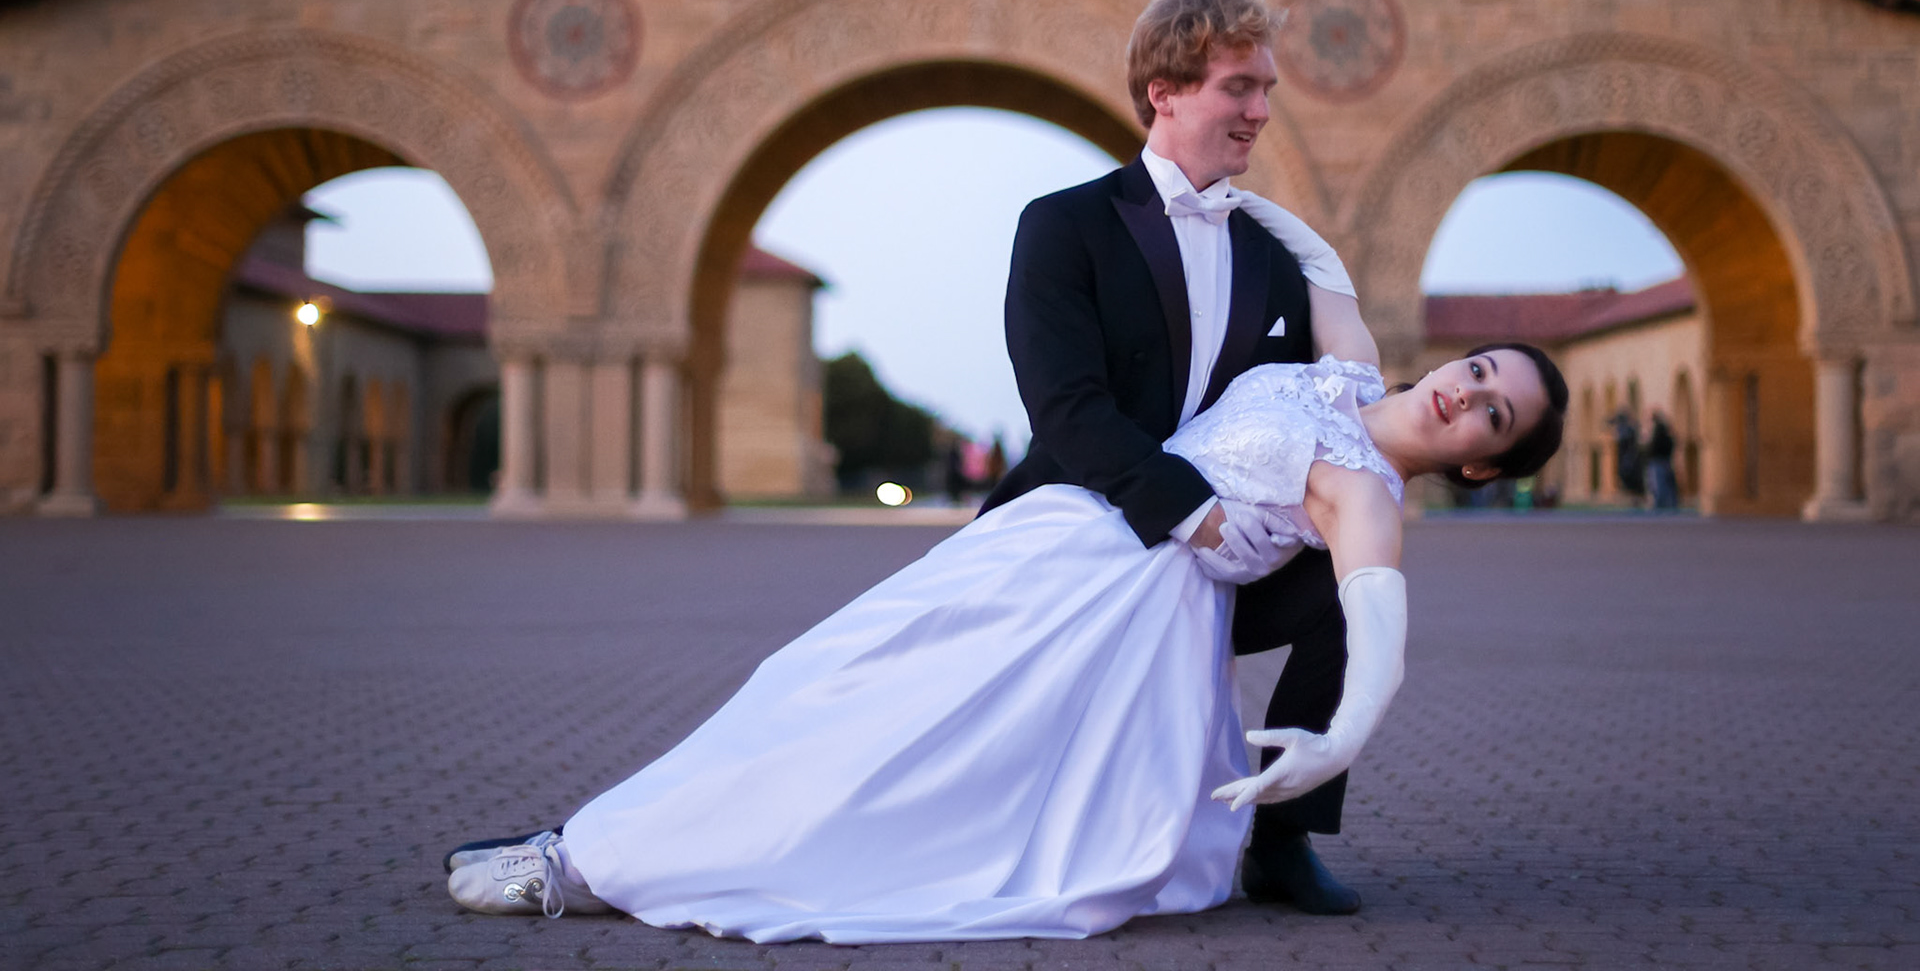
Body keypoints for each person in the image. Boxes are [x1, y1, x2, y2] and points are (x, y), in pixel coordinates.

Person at [444, 344, 1565, 941]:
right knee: (834, 673)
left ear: (1481, 464)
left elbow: (1380, 634)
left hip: (1133, 607)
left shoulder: (1366, 498)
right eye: (1479, 371)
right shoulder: (1347, 370)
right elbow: (1314, 256)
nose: (1467, 397)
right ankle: (599, 837)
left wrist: (1340, 739)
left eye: (1494, 416)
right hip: (1063, 530)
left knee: (926, 747)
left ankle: (594, 865)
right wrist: (1222, 174)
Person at [979, 0, 1382, 913]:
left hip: (1222, 555)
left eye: (1266, 89)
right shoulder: (1064, 225)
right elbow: (1065, 407)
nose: (1261, 111)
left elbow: (1320, 405)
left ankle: (1283, 840)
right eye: (1239, 87)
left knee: (1347, 583)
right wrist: (1187, 514)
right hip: (1079, 532)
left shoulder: (1276, 257)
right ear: (1164, 91)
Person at [1643, 410, 1679, 511]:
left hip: (1658, 461)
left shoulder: (1658, 430)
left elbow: (1654, 446)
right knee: (1662, 484)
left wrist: (1649, 454)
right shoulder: (1664, 430)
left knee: (1658, 485)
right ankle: (1666, 504)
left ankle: (1660, 506)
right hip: (1663, 460)